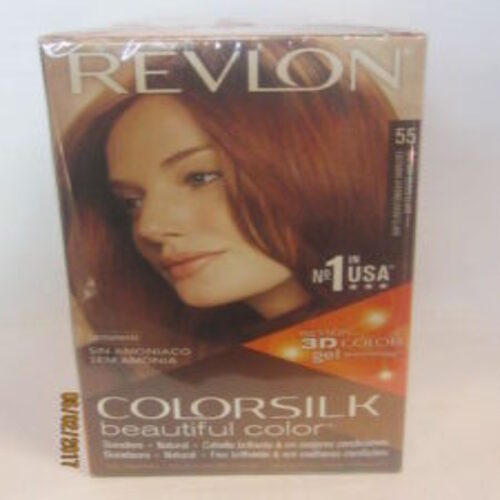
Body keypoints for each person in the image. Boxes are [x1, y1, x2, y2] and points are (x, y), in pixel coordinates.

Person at [60, 39, 395, 356]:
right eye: (131, 202)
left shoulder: (381, 343)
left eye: (200, 177)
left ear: (325, 160)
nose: (149, 227)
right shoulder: (181, 365)